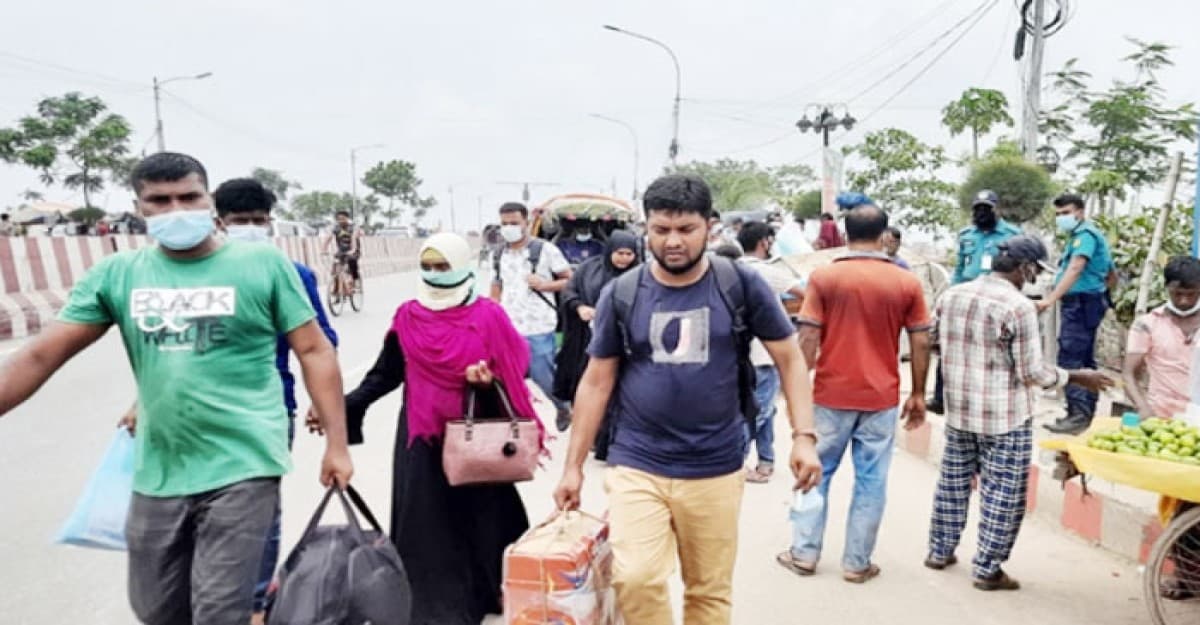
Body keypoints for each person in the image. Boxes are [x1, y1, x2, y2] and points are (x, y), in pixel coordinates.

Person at [0, 152, 353, 625]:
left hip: (244, 461)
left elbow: (314, 350)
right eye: (160, 201)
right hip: (159, 465)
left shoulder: (263, 264)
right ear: (139, 207)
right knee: (156, 608)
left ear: (209, 199)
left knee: (219, 611)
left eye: (189, 197)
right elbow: (40, 355)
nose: (176, 210)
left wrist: (337, 445)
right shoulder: (118, 275)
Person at [553, 174, 822, 625]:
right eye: (661, 230)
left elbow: (790, 360)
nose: (672, 241)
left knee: (709, 592)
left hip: (715, 465)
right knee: (635, 578)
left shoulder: (740, 285)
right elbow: (596, 381)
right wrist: (573, 465)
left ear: (709, 227)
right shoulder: (621, 293)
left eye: (685, 229)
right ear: (646, 229)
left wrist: (804, 437)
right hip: (638, 461)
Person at [325, 233, 542, 625]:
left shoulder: (488, 316)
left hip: (476, 437)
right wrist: (341, 408)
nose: (435, 274)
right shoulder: (408, 316)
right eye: (428, 267)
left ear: (461, 265)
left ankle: (485, 596)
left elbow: (518, 365)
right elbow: (384, 375)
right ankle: (435, 612)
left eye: (443, 266)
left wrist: (487, 379)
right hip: (422, 439)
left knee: (483, 520)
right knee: (426, 527)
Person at [926, 235, 1112, 591]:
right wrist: (1075, 376)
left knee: (952, 483)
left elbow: (931, 337)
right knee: (1004, 494)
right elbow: (1033, 374)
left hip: (960, 410)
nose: (1034, 278)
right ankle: (987, 569)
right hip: (1004, 416)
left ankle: (939, 550)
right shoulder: (1018, 307)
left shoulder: (953, 295)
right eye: (1035, 271)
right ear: (1025, 268)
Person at [782, 198, 930, 583]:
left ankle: (803, 554)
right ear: (884, 236)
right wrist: (918, 393)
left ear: (845, 234)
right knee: (872, 480)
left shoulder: (825, 278)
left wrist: (797, 393)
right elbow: (920, 341)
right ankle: (857, 562)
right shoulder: (906, 281)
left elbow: (809, 337)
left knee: (817, 472)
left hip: (831, 394)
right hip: (881, 397)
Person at [927, 189, 1021, 415]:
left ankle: (982, 401)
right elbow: (959, 268)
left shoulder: (1012, 234)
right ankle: (941, 398)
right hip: (965, 296)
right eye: (978, 208)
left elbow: (1018, 267)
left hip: (995, 299)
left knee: (988, 349)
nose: (981, 213)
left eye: (986, 208)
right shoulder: (966, 234)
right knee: (949, 346)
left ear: (996, 209)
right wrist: (951, 295)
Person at [554, 230, 641, 460]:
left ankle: (616, 443)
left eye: (629, 253)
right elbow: (569, 292)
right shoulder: (589, 269)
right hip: (590, 342)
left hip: (628, 345)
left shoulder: (642, 275)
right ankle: (593, 437)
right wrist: (580, 307)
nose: (624, 258)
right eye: (619, 253)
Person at [489, 202, 573, 431]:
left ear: (526, 223)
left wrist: (545, 285)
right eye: (504, 224)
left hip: (539, 325)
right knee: (506, 377)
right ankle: (517, 424)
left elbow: (569, 280)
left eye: (514, 223)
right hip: (508, 326)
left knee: (542, 373)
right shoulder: (497, 254)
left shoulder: (545, 250)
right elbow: (496, 288)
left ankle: (563, 405)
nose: (509, 228)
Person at [1040, 193, 1117, 434]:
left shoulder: (1084, 237)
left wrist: (1050, 300)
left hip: (1081, 302)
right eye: (1059, 214)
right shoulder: (1087, 236)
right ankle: (1082, 413)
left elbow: (1075, 268)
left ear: (1080, 212)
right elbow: (1111, 273)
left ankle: (1078, 415)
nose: (1062, 218)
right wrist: (1104, 297)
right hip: (1088, 301)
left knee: (1071, 357)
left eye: (1066, 213)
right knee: (1083, 358)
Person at [737, 221, 807, 483]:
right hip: (766, 353)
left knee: (762, 410)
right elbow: (805, 292)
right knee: (761, 411)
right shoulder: (766, 272)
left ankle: (765, 462)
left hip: (742, 354)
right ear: (763, 242)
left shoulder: (731, 271)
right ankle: (737, 460)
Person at [1122, 256, 1200, 420]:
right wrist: (1143, 407)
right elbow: (1129, 374)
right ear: (1167, 288)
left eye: (1191, 294)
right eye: (1177, 294)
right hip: (1160, 414)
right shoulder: (1147, 325)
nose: (1184, 300)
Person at [323, 210, 364, 286]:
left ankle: (355, 278)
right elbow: (328, 237)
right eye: (339, 219)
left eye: (343, 219)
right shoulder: (336, 228)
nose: (341, 221)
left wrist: (353, 249)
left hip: (354, 250)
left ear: (347, 218)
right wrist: (324, 249)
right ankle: (335, 283)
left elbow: (353, 238)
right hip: (341, 251)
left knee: (352, 260)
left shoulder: (353, 227)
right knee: (335, 264)